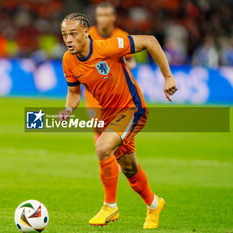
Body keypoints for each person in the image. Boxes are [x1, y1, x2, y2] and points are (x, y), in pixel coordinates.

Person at [58, 13, 177, 229]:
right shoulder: (68, 60)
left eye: (73, 34)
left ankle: (109, 206)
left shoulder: (108, 47)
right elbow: (74, 92)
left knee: (102, 148)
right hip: (111, 116)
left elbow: (150, 41)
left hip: (133, 109)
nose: (68, 39)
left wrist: (167, 76)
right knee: (130, 169)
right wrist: (67, 109)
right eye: (65, 34)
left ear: (86, 32)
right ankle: (154, 204)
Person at [87, 2, 137, 142]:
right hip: (94, 93)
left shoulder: (122, 36)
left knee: (115, 133)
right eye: (100, 15)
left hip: (116, 92)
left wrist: (123, 66)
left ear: (113, 18)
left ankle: (112, 159)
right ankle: (107, 159)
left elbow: (132, 61)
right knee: (98, 127)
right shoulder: (88, 36)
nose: (103, 19)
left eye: (106, 15)